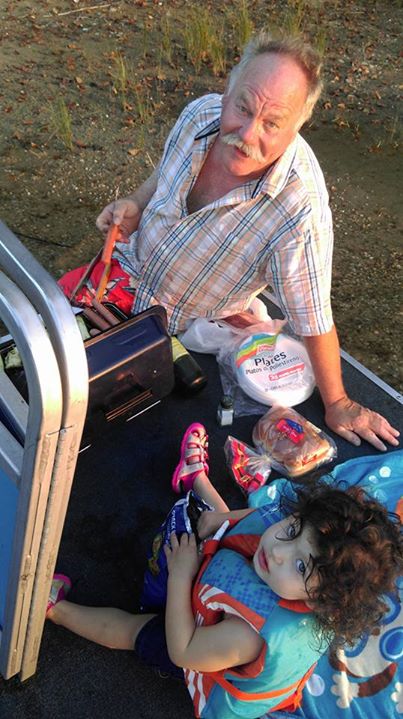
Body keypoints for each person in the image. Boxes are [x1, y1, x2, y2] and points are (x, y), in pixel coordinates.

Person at [58, 31, 399, 452]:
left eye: (272, 123)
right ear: (227, 92)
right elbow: (165, 172)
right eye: (243, 107)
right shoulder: (200, 114)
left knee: (78, 423)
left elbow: (313, 317)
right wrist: (136, 203)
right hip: (117, 276)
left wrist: (339, 403)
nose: (247, 132)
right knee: (34, 359)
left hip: (172, 329)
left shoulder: (299, 211)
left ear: (297, 127)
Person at [47, 424, 403, 719]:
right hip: (220, 587)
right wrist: (222, 520)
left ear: (321, 601)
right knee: (232, 525)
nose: (278, 551)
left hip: (201, 648)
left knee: (132, 631)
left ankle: (53, 609)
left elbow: (183, 650)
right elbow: (262, 518)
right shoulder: (290, 549)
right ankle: (195, 479)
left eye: (300, 566)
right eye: (294, 530)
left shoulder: (249, 635)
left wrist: (181, 576)